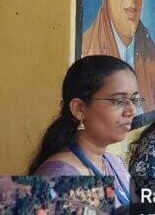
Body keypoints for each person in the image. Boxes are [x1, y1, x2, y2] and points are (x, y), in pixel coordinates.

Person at [29, 56, 138, 209]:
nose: (132, 111)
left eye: (135, 100)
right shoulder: (60, 178)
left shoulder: (113, 163)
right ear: (79, 109)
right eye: (119, 101)